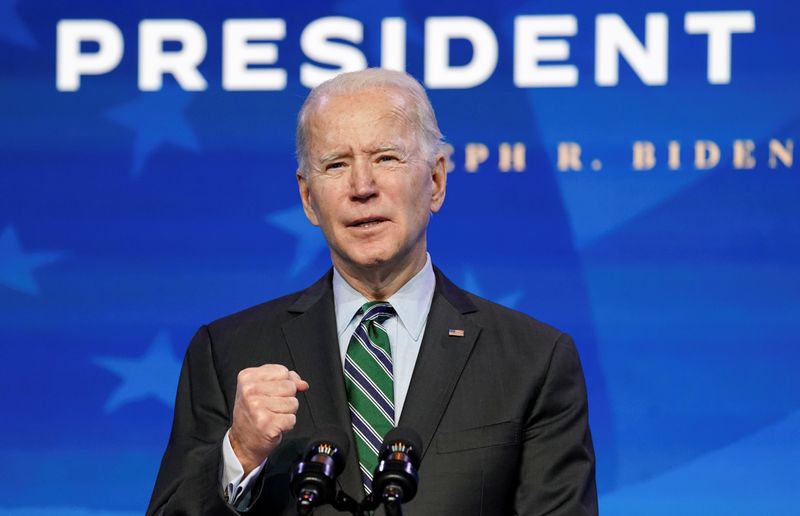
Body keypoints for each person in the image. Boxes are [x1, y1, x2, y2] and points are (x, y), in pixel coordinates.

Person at [147, 68, 597, 515]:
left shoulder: (532, 360)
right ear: (307, 199)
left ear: (436, 180)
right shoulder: (227, 353)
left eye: (386, 158)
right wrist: (241, 453)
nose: (362, 187)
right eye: (336, 165)